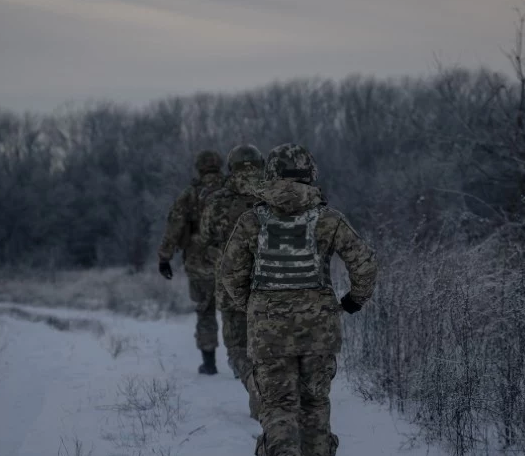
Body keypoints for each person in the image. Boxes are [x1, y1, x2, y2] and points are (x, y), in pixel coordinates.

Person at [219, 143, 378, 456]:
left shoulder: (252, 221)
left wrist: (251, 306)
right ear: (311, 173)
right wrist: (353, 301)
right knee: (314, 405)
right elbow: (365, 263)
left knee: (278, 407)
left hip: (268, 331)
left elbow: (229, 274)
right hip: (319, 330)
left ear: (272, 174)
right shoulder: (328, 219)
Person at [200, 144, 266, 418]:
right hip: (270, 285)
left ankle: (253, 384)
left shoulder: (217, 200)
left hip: (230, 285)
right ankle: (270, 390)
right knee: (266, 344)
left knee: (238, 346)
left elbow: (205, 238)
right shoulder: (273, 195)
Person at [158, 149, 226, 374]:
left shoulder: (190, 194)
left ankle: (209, 363)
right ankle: (241, 363)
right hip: (233, 260)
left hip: (199, 261)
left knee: (205, 310)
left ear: (199, 167)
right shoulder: (233, 190)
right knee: (237, 312)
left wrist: (165, 257)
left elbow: (174, 226)